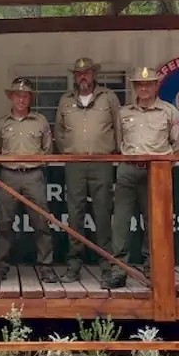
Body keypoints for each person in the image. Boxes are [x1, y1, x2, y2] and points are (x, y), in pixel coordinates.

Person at [109, 66, 179, 289]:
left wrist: (165, 165)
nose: (144, 88)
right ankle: (118, 270)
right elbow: (118, 141)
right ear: (134, 87)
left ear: (156, 86)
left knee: (154, 221)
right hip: (127, 169)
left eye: (149, 84)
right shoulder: (124, 113)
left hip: (156, 172)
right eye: (140, 84)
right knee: (120, 222)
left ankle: (153, 269)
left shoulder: (169, 112)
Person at [54, 57, 121, 283]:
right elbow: (59, 131)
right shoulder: (65, 100)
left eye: (87, 72)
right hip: (74, 164)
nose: (83, 76)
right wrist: (68, 151)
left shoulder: (108, 97)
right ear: (75, 76)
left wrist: (119, 154)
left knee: (103, 214)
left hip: (102, 163)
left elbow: (118, 127)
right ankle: (73, 266)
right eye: (78, 73)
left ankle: (107, 267)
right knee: (75, 215)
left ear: (94, 74)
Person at [0, 77, 57, 282]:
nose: (21, 99)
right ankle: (0, 267)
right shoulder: (1, 123)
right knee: (3, 223)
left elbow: (48, 150)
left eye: (25, 95)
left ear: (30, 99)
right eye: (17, 95)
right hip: (8, 176)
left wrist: (34, 166)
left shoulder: (40, 121)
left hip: (34, 176)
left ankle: (46, 267)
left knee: (41, 222)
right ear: (11, 97)